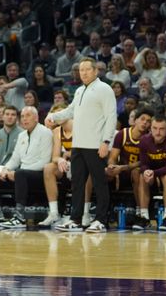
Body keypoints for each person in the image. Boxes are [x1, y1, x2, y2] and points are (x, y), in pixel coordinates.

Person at [46, 58, 117, 233]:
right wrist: (53, 117)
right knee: (77, 183)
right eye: (81, 70)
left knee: (99, 183)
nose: (83, 73)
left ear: (95, 71)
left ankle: (100, 220)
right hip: (78, 145)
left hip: (95, 146)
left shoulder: (104, 89)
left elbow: (111, 116)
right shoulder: (79, 91)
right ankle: (76, 220)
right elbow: (70, 111)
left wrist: (106, 142)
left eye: (87, 69)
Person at [0, 106, 53, 229]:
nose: (24, 119)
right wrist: (6, 169)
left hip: (39, 176)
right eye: (23, 116)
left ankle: (19, 216)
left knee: (20, 174)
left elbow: (45, 162)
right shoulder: (22, 135)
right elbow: (15, 159)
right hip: (21, 175)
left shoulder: (45, 132)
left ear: (36, 118)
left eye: (28, 116)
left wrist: (20, 171)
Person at [105, 107, 153, 230]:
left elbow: (144, 161)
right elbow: (113, 156)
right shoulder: (123, 134)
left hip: (137, 172)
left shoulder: (149, 138)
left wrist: (122, 168)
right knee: (106, 173)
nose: (145, 123)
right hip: (122, 172)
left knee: (137, 172)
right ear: (135, 120)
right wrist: (111, 166)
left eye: (148, 121)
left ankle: (141, 214)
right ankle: (104, 214)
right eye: (142, 119)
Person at [138, 116, 166, 231]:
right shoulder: (144, 141)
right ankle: (144, 217)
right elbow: (143, 163)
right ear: (150, 129)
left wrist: (153, 172)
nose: (158, 132)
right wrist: (146, 171)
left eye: (161, 129)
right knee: (142, 176)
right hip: (154, 173)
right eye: (155, 128)